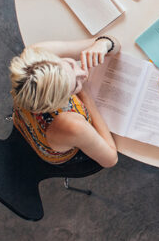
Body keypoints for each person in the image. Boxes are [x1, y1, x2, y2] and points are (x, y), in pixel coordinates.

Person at [9, 35, 120, 168]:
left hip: (24, 121)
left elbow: (114, 44)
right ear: (60, 103)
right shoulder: (72, 125)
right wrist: (85, 94)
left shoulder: (36, 54)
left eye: (71, 64)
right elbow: (111, 159)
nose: (83, 73)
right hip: (59, 152)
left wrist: (103, 45)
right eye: (75, 85)